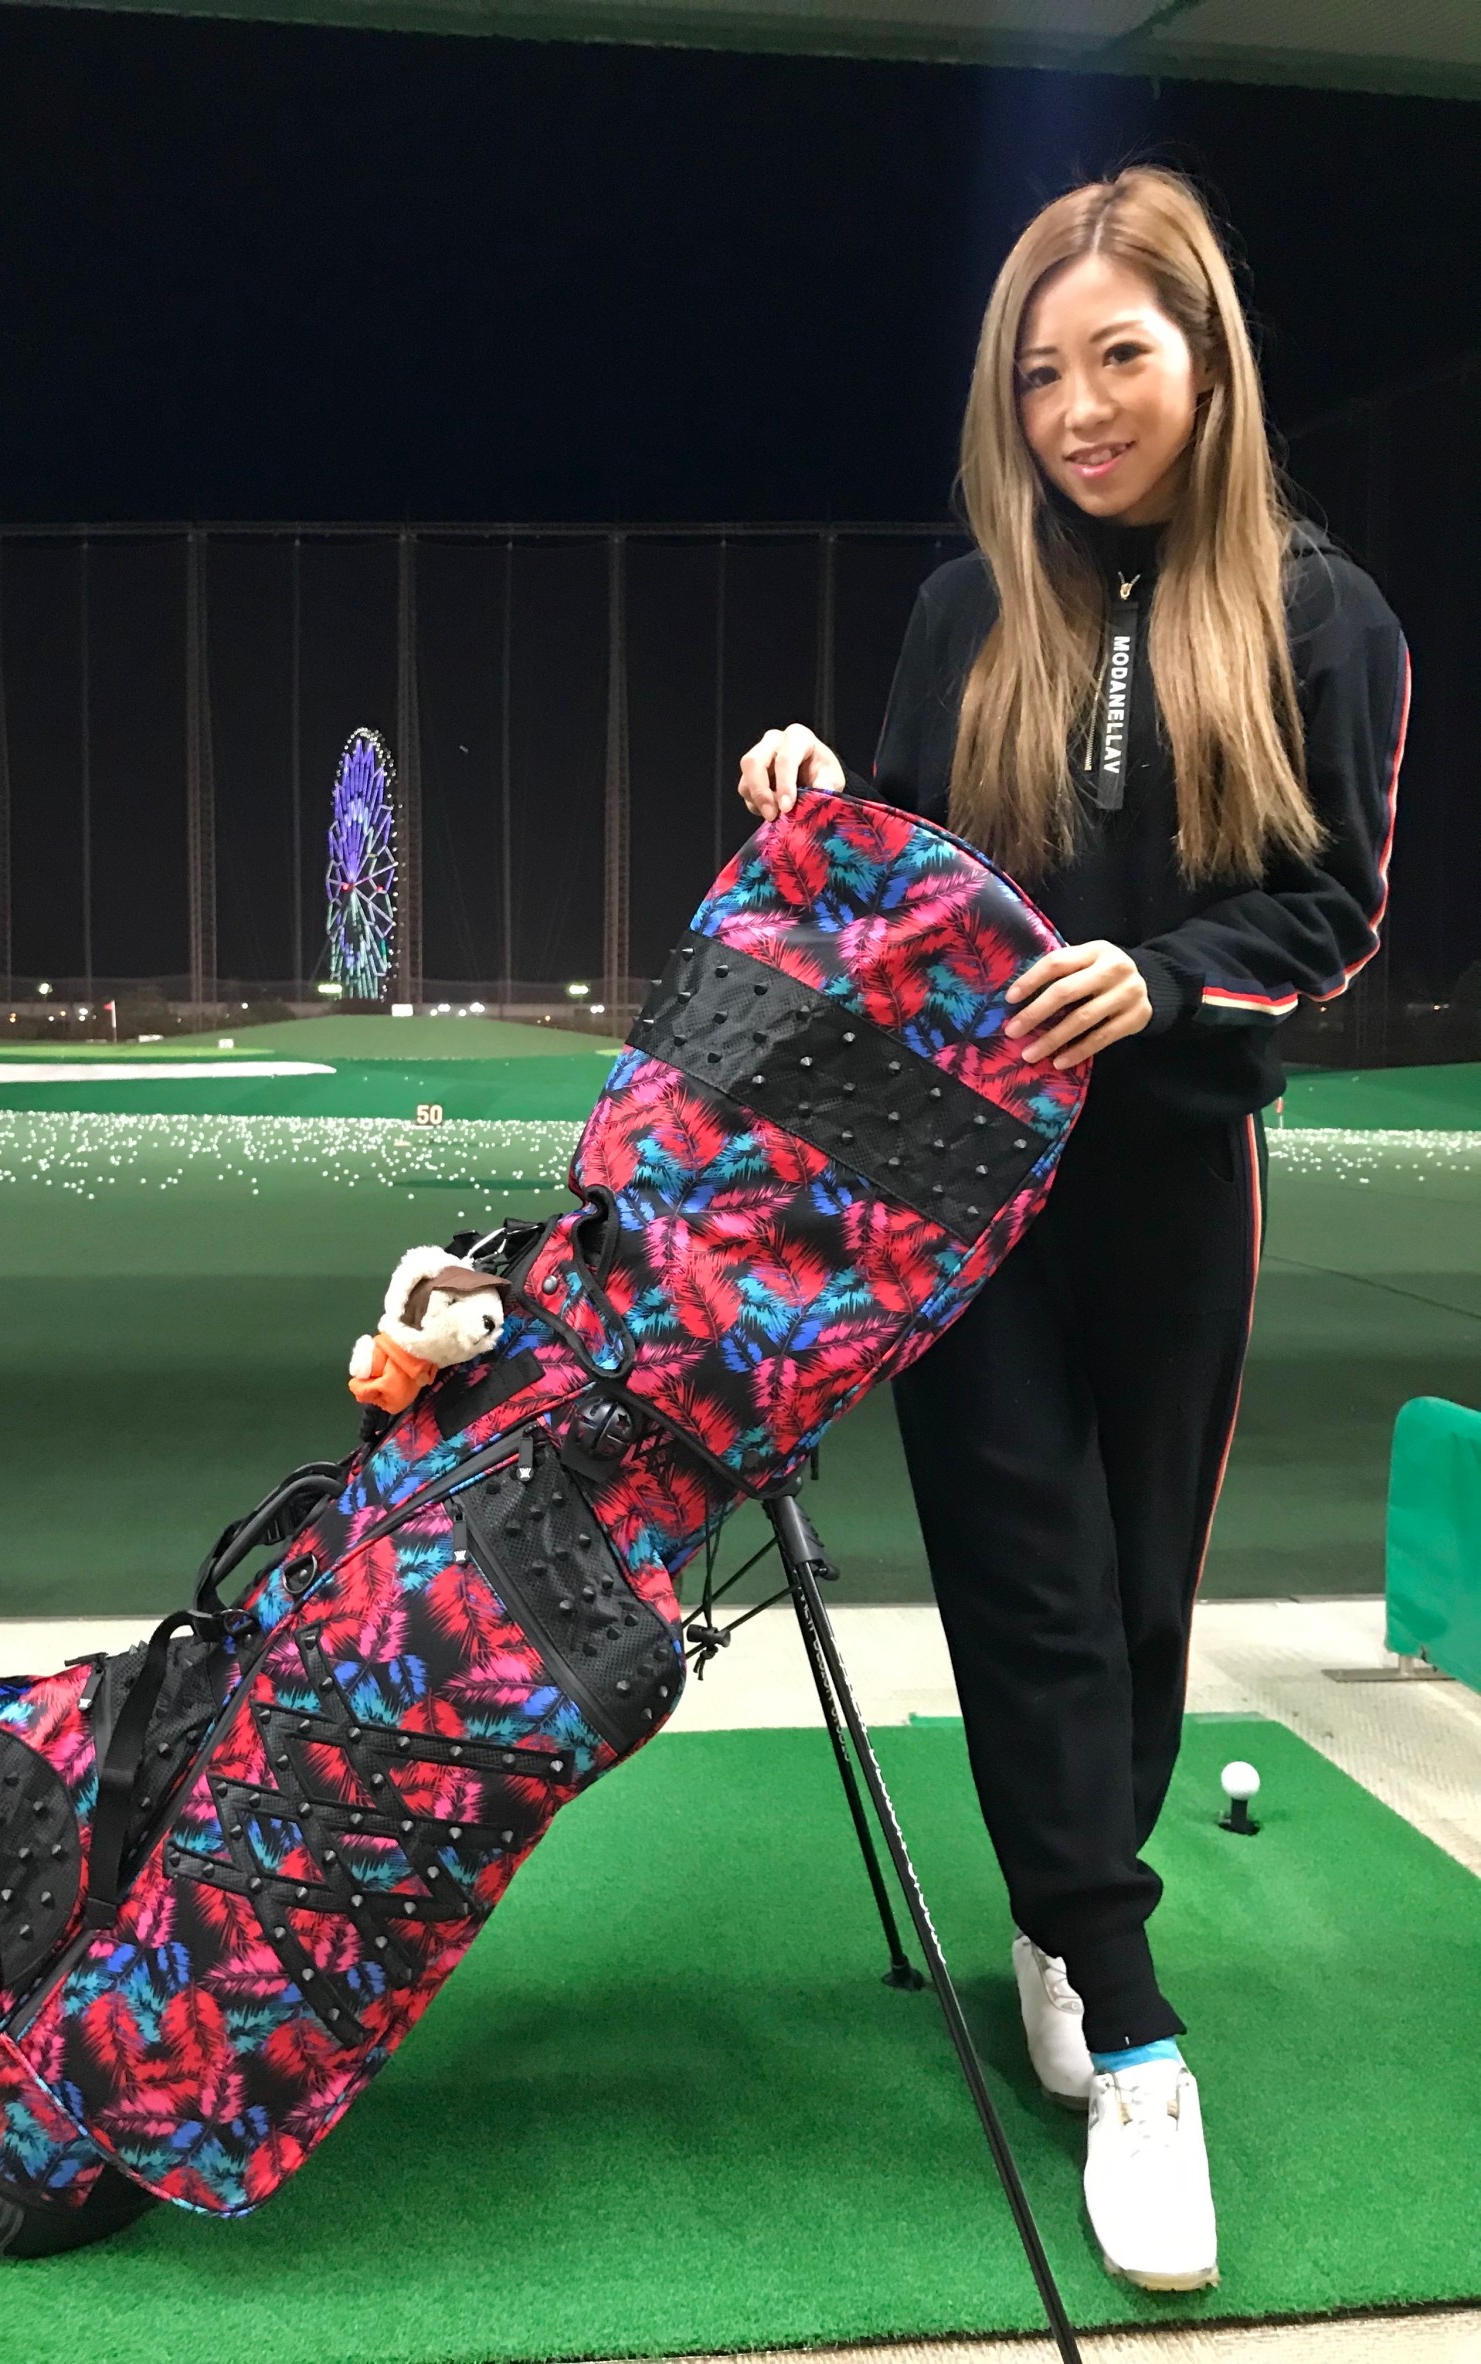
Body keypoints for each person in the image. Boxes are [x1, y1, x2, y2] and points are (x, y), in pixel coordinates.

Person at [737, 165, 1409, 2292]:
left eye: (1118, 357)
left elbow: (1327, 911)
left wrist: (1167, 979)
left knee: (1130, 1594)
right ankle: (1128, 2028)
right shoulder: (968, 608)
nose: (1078, 410)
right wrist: (820, 797)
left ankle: (1058, 1901)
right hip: (960, 1173)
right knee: (1022, 1573)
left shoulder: (1322, 616)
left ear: (1204, 362)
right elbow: (905, 874)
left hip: (1168, 1169)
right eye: (1038, 374)